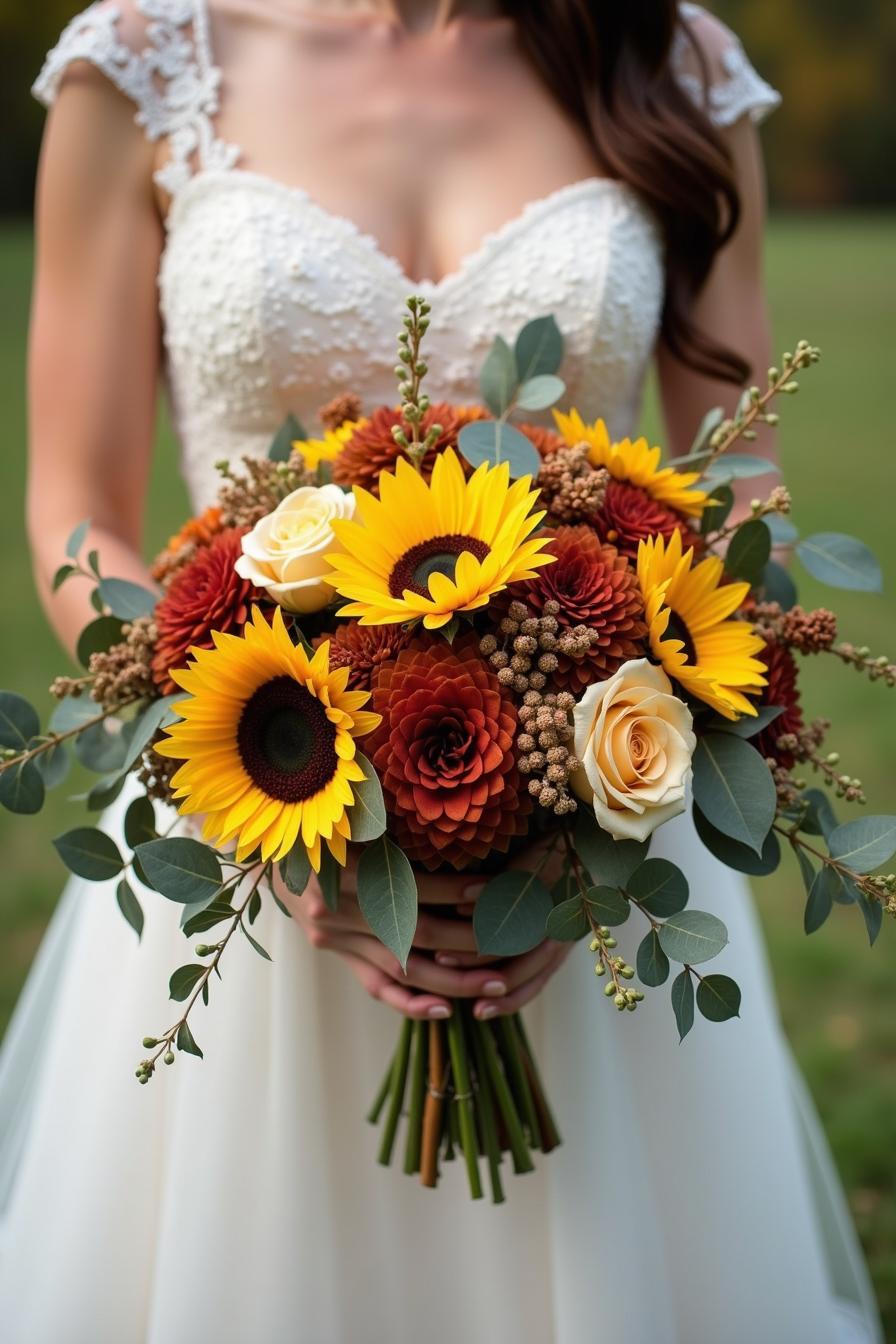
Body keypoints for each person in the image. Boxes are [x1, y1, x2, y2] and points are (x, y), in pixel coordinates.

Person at [0, 2, 884, 1340]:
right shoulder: (145, 63)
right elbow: (74, 497)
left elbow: (738, 493)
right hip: (252, 808)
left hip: (593, 870)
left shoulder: (674, 61)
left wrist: (568, 813)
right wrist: (259, 771)